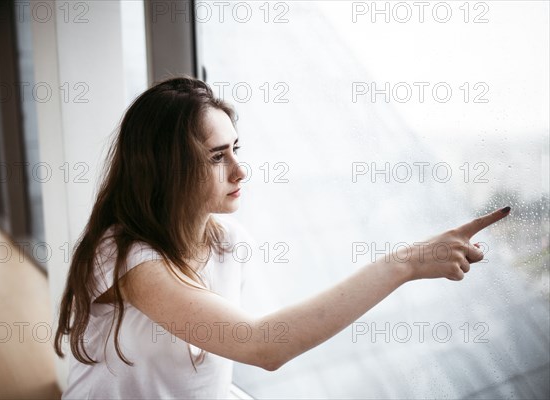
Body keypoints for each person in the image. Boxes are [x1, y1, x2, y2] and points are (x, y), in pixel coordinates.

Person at [54, 76, 510, 398]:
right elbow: (261, 345)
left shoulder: (230, 243)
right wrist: (404, 264)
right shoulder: (126, 257)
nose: (240, 170)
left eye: (236, 149)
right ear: (166, 168)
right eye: (217, 157)